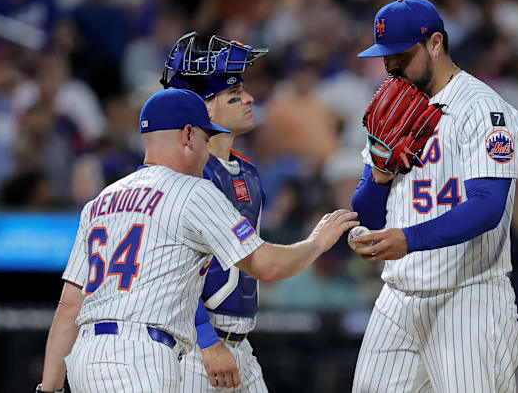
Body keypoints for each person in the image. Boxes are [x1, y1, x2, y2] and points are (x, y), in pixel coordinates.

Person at [36, 88, 358, 393]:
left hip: (84, 357)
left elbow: (69, 306)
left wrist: (48, 388)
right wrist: (316, 242)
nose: (208, 150)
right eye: (206, 137)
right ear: (188, 135)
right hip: (141, 356)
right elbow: (267, 266)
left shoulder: (101, 201)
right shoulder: (193, 191)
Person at [350, 0, 518, 393]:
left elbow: (487, 207)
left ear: (435, 43)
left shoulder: (484, 110)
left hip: (468, 299)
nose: (390, 65)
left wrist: (410, 239)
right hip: (398, 299)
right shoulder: (389, 108)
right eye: (384, 57)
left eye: (400, 54)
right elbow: (369, 216)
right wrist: (377, 176)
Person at [160, 31, 270, 391]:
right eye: (235, 95)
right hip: (197, 346)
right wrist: (207, 340)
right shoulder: (186, 176)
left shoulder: (247, 170)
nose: (249, 99)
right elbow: (173, 273)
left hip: (241, 342)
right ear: (205, 108)